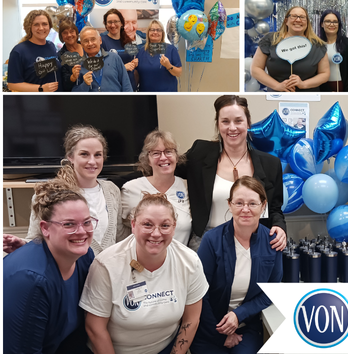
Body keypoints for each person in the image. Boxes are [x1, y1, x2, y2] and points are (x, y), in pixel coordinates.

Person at [79, 192, 208, 354]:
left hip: (165, 349)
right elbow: (95, 328)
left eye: (165, 225)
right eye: (147, 224)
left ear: (174, 227)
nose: (156, 233)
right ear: (133, 225)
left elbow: (191, 320)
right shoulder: (107, 264)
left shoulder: (189, 261)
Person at [175, 95, 287, 251]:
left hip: (252, 242)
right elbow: (166, 169)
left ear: (248, 123)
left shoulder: (270, 164)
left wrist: (279, 227)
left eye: (238, 121)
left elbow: (275, 208)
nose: (232, 127)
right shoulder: (200, 153)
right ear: (218, 125)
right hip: (207, 243)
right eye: (225, 121)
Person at [3, 125, 128, 256]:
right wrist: (23, 245)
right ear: (70, 157)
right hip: (71, 273)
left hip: (107, 273)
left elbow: (118, 234)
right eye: (84, 154)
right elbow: (37, 238)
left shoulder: (112, 190)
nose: (92, 161)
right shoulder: (50, 193)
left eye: (98, 155)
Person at [190, 176, 283, 354]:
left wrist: (238, 314)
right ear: (229, 204)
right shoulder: (212, 240)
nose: (245, 209)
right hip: (209, 326)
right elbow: (199, 293)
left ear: (263, 205)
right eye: (239, 203)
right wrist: (219, 335)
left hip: (245, 325)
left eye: (252, 203)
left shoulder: (273, 242)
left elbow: (271, 292)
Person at [4, 179, 95, 354]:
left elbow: (76, 333)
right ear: (45, 228)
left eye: (87, 222)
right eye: (69, 224)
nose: (82, 231)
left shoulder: (84, 258)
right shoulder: (30, 282)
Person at [121, 129, 191, 245]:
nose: (163, 157)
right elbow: (120, 230)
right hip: (142, 260)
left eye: (168, 151)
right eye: (156, 153)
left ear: (177, 157)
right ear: (147, 160)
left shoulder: (188, 187)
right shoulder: (131, 189)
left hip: (180, 260)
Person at [250, 6, 330, 92]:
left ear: (307, 22)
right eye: (294, 16)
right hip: (276, 95)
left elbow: (324, 74)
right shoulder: (270, 40)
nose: (298, 20)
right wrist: (277, 86)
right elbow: (256, 68)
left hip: (308, 96)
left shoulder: (318, 45)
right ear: (286, 21)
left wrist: (304, 84)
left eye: (302, 17)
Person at [7, 9, 61, 92]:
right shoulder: (19, 51)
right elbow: (12, 84)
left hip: (57, 99)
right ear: (29, 27)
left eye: (44, 24)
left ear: (50, 26)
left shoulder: (51, 46)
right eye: (36, 24)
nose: (41, 28)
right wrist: (41, 88)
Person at [72, 27, 133, 92]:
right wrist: (85, 84)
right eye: (86, 41)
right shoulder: (79, 66)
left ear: (100, 40)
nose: (90, 43)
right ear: (82, 44)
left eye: (93, 39)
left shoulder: (114, 58)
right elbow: (75, 93)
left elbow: (126, 85)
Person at [135, 20, 182, 91]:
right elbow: (137, 75)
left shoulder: (171, 49)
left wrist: (168, 66)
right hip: (146, 95)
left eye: (158, 30)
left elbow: (179, 73)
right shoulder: (141, 51)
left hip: (166, 95)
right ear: (148, 33)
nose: (155, 32)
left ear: (162, 33)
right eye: (152, 30)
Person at [318, 9, 348, 92]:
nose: (332, 24)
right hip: (323, 88)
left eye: (335, 22)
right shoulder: (317, 45)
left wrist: (347, 93)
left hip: (345, 88)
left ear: (339, 24)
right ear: (322, 24)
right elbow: (315, 71)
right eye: (328, 21)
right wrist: (328, 91)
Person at [100, 9, 138, 91]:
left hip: (130, 85)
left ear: (121, 23)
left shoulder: (129, 41)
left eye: (116, 21)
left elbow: (132, 59)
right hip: (114, 87)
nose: (113, 25)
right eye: (110, 22)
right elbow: (101, 69)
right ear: (106, 25)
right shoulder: (101, 42)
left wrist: (135, 63)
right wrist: (123, 68)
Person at [57, 19, 84, 92]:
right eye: (65, 33)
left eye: (72, 31)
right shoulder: (60, 56)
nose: (69, 35)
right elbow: (64, 83)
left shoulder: (86, 46)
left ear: (76, 33)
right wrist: (72, 77)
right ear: (61, 36)